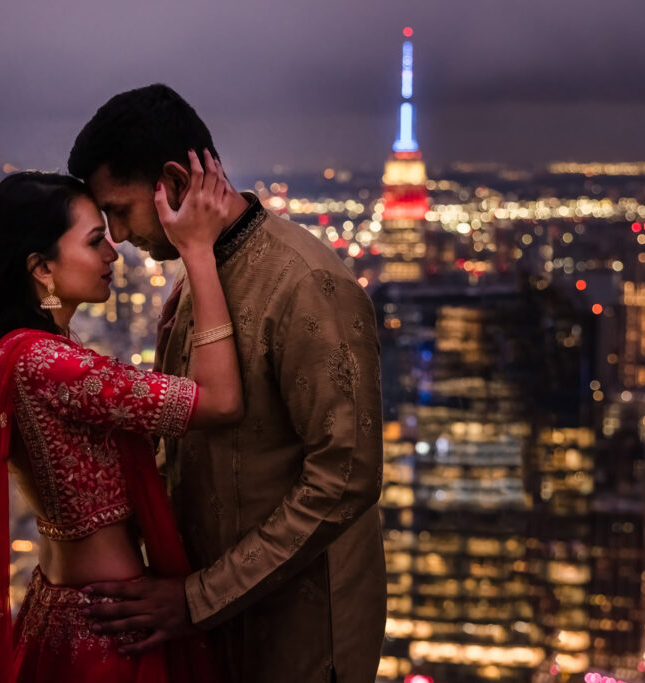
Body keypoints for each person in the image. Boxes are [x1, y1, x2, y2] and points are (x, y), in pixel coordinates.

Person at [67, 84, 387, 683]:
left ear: (174, 181)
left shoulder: (307, 284)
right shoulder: (198, 278)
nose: (115, 234)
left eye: (118, 210)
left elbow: (347, 477)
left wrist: (197, 599)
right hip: (213, 625)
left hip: (301, 635)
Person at [0, 158, 242, 682]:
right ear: (42, 268)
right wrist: (197, 251)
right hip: (110, 636)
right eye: (94, 241)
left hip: (67, 615)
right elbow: (221, 401)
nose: (113, 250)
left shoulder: (33, 354)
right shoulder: (52, 364)